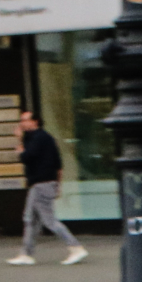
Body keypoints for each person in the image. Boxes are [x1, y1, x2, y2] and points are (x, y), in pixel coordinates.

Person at [10, 111, 87, 266]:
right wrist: (57, 184)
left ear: (35, 122)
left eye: (25, 120)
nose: (22, 123)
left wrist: (19, 142)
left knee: (49, 220)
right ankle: (26, 253)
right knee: (30, 219)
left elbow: (27, 157)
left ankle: (75, 247)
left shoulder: (38, 138)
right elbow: (58, 165)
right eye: (21, 120)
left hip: (41, 183)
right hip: (43, 183)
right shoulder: (45, 138)